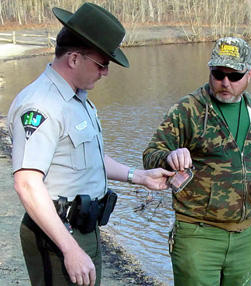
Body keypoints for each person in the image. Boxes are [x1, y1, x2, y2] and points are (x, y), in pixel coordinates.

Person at [7, 3, 174, 286]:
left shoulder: (77, 99)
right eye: (102, 64)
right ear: (74, 59)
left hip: (83, 228)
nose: (106, 72)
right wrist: (70, 249)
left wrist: (139, 176)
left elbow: (90, 158)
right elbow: (27, 184)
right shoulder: (41, 105)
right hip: (58, 235)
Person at [143, 37, 251, 286]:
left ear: (249, 75)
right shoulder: (187, 110)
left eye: (234, 76)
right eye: (218, 74)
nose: (225, 82)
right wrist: (169, 158)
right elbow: (151, 155)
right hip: (197, 235)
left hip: (247, 235)